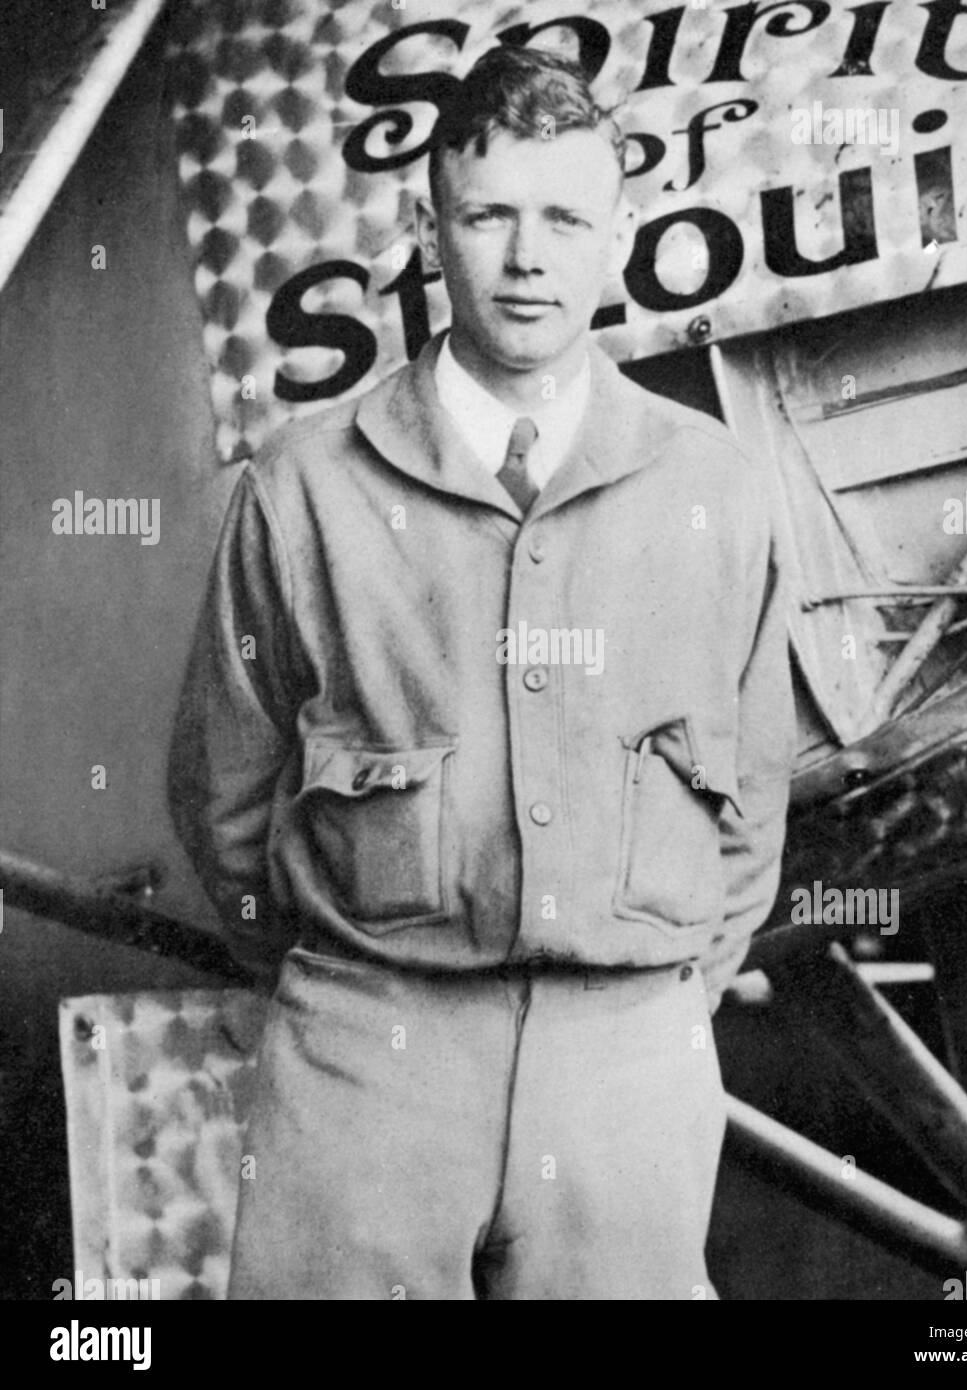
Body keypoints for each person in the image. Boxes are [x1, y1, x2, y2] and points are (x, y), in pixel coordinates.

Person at [169, 43, 795, 1301]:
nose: (527, 258)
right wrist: (348, 982)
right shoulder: (302, 490)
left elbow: (753, 808)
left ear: (617, 235)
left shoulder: (716, 490)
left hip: (627, 1067)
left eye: (565, 218)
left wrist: (659, 1010)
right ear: (426, 228)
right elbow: (224, 803)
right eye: (488, 215)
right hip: (365, 1058)